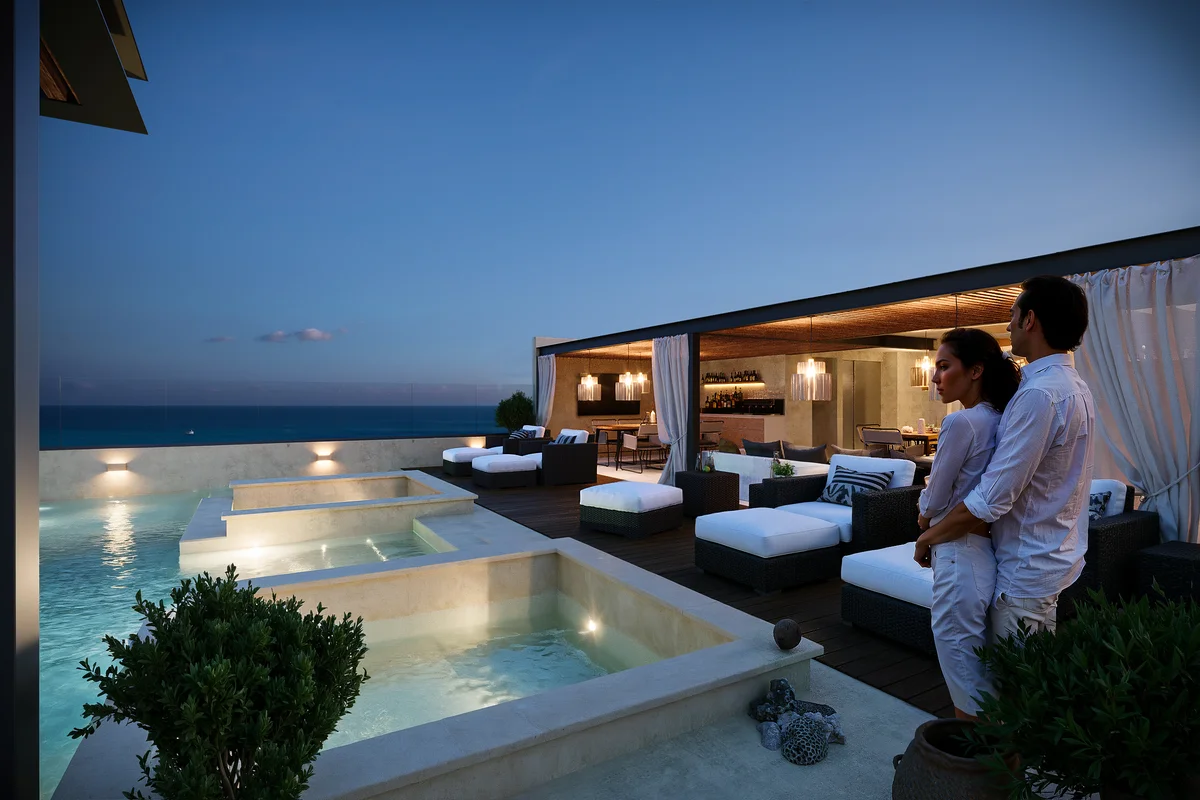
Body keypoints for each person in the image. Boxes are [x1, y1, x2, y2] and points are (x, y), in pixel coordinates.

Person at [916, 275, 1094, 647]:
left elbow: (992, 498)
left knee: (1015, 693)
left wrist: (928, 536)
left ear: (1030, 320)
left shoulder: (1040, 395)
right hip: (1048, 561)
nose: (1009, 325)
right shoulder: (1074, 386)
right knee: (1026, 685)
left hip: (1025, 571)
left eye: (1012, 315)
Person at [916, 328, 1021, 720]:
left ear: (975, 370)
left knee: (962, 668)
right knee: (973, 666)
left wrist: (923, 516)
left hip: (958, 555)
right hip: (980, 552)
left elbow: (937, 495)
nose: (935, 377)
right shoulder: (999, 418)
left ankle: (971, 770)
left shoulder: (962, 423)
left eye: (944, 366)